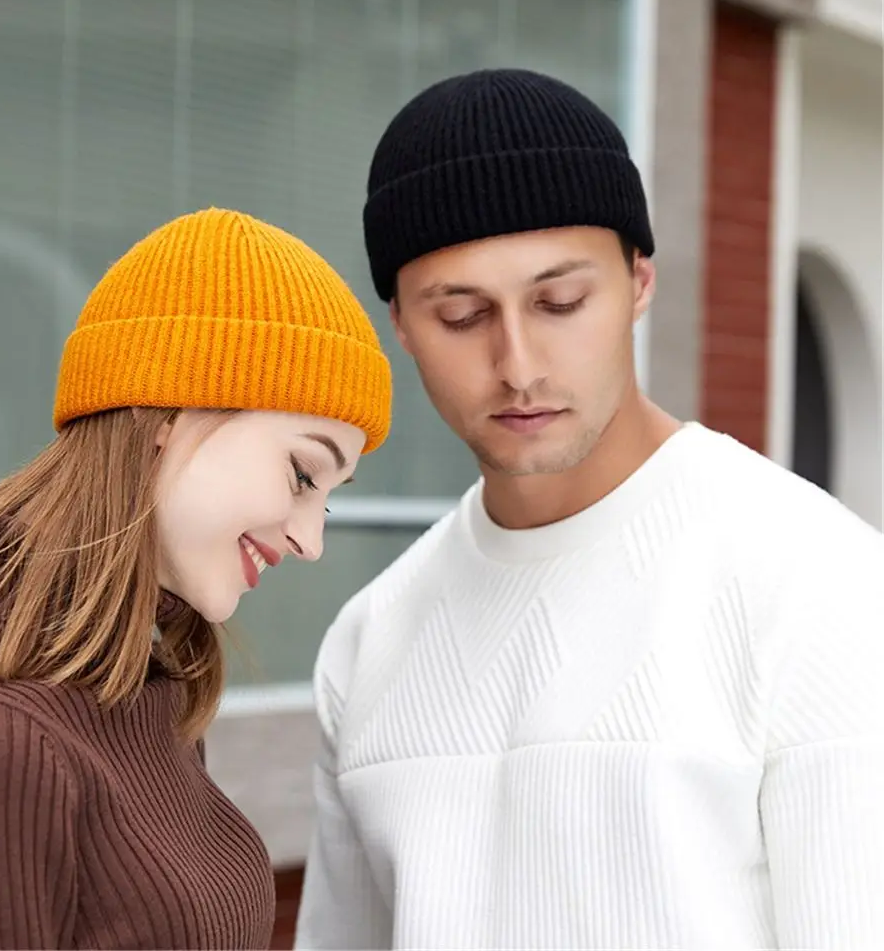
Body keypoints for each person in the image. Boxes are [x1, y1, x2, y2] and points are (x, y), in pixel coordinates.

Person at [294, 69, 883, 950]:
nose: (518, 362)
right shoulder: (371, 637)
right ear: (402, 326)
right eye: (461, 316)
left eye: (560, 302)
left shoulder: (814, 580)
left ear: (640, 282)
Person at [0, 208, 391, 950]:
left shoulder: (145, 691)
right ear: (168, 419)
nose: (310, 539)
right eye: (301, 473)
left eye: (328, 495)